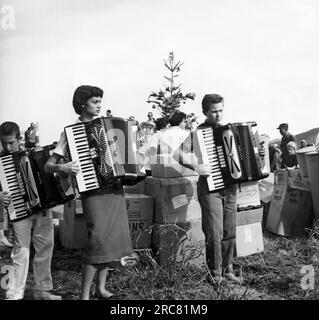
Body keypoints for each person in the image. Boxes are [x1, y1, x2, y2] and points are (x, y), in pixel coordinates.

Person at [45, 85, 133, 300]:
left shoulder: (108, 126)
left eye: (100, 101)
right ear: (82, 104)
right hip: (92, 191)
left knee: (110, 240)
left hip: (113, 189)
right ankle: (84, 296)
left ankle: (100, 288)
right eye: (95, 101)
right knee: (98, 240)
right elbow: (49, 165)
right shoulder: (71, 132)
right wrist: (63, 168)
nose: (99, 105)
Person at [173, 94, 265, 285]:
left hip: (230, 188)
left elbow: (246, 155)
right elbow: (177, 153)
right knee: (215, 232)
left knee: (229, 230)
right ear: (205, 112)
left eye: (221, 110)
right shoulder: (199, 133)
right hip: (210, 188)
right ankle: (215, 274)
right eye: (214, 111)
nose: (218, 115)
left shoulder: (231, 129)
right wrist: (197, 168)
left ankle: (228, 270)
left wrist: (258, 153)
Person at [0, 121, 61, 300]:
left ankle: (42, 290)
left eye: (11, 142)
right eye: (3, 143)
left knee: (45, 247)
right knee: (21, 250)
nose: (7, 146)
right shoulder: (0, 161)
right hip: (18, 211)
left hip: (42, 209)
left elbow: (50, 174)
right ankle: (14, 293)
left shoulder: (35, 153)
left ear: (19, 138)